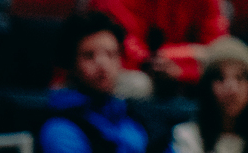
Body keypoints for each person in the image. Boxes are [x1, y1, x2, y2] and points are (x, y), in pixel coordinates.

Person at [39, 11, 209, 153]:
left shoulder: (140, 120)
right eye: (89, 56)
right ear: (71, 64)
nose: (103, 64)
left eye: (111, 54)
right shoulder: (60, 130)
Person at [89, 0, 228, 96]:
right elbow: (125, 46)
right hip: (139, 71)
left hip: (189, 75)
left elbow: (219, 51)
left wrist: (179, 68)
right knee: (138, 85)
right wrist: (187, 54)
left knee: (227, 82)